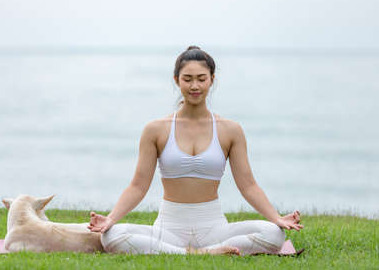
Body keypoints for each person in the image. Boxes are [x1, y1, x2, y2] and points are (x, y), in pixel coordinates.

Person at [88, 46, 303, 255]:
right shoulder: (155, 129)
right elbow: (138, 185)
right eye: (187, 79)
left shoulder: (230, 130)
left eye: (201, 78)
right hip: (168, 229)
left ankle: (188, 252)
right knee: (111, 235)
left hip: (215, 229)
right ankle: (197, 253)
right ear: (176, 80)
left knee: (274, 234)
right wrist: (111, 219)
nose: (195, 86)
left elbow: (248, 185)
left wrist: (276, 218)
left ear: (212, 80)